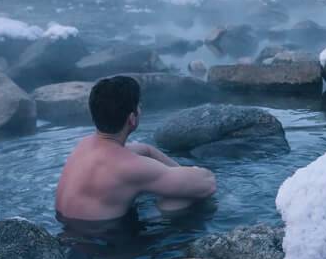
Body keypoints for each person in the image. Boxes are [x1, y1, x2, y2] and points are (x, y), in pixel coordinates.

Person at [55, 76, 216, 221]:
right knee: (182, 197)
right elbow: (207, 184)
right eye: (139, 106)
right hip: (107, 242)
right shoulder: (130, 167)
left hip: (68, 230)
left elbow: (145, 150)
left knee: (173, 183)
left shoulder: (85, 144)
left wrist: (178, 171)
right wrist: (189, 174)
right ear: (132, 119)